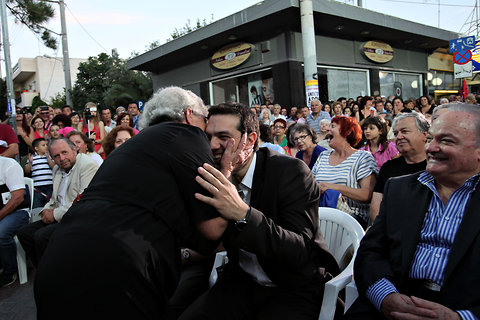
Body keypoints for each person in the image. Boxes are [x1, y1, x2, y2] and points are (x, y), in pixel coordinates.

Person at [33, 87, 228, 319]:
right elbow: (212, 232)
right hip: (116, 273)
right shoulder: (185, 133)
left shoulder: (131, 148)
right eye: (205, 120)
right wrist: (226, 171)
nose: (209, 136)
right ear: (188, 115)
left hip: (57, 263)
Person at [180, 102, 339, 320]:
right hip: (242, 282)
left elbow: (299, 250)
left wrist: (242, 214)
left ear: (251, 140)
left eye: (224, 137)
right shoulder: (215, 174)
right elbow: (207, 242)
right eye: (208, 137)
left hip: (292, 287)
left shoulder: (290, 172)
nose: (213, 145)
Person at [347, 104, 480, 320]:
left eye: (446, 141)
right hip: (392, 302)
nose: (432, 148)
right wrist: (385, 297)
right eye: (431, 139)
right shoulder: (399, 189)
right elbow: (370, 253)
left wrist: (462, 317)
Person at [17, 138, 98, 267]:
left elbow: (83, 202)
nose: (61, 158)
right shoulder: (57, 169)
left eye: (64, 152)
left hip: (78, 217)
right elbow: (54, 199)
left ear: (74, 150)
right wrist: (45, 210)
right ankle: (43, 271)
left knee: (41, 236)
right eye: (56, 156)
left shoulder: (87, 166)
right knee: (24, 233)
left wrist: (54, 214)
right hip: (60, 215)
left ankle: (53, 273)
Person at [312, 116, 377, 228]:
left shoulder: (363, 157)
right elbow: (311, 184)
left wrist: (332, 188)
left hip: (351, 220)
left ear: (347, 132)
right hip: (321, 216)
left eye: (333, 126)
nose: (328, 129)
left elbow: (367, 195)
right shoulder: (323, 156)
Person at [369, 112, 429, 221]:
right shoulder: (389, 168)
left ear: (424, 135)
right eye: (396, 134)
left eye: (405, 131)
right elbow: (375, 209)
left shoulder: (436, 168)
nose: (399, 137)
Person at [0, 156, 30, 287]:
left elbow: (18, 198)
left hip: (17, 211)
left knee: (1, 233)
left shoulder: (9, 165)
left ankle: (9, 271)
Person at [24, 138, 55, 209]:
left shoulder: (49, 157)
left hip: (49, 185)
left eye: (47, 145)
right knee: (37, 204)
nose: (46, 146)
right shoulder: (32, 158)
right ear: (36, 148)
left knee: (50, 204)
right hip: (37, 187)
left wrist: (48, 158)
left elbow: (53, 167)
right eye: (43, 145)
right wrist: (30, 162)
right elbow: (27, 171)